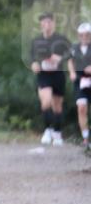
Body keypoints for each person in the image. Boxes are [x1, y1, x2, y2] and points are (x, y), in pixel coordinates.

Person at [30, 12, 70, 146]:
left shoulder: (61, 39)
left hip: (58, 75)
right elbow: (31, 57)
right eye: (44, 22)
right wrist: (33, 64)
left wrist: (60, 58)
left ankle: (57, 133)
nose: (47, 24)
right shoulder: (36, 41)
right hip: (44, 75)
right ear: (40, 24)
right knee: (46, 102)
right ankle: (47, 130)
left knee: (57, 106)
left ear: (53, 23)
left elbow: (71, 53)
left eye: (49, 21)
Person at [68, 23, 91, 148]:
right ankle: (86, 138)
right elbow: (70, 60)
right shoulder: (74, 48)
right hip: (80, 82)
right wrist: (72, 72)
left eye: (87, 35)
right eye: (81, 35)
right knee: (81, 108)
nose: (84, 37)